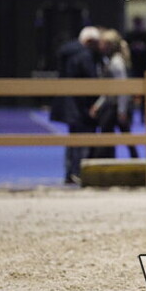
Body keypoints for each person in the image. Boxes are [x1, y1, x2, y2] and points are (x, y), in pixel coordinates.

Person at [50, 25, 102, 184]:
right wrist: (94, 103)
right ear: (90, 41)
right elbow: (91, 81)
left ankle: (69, 173)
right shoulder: (84, 55)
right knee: (84, 139)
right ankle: (80, 173)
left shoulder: (66, 52)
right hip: (81, 105)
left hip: (67, 103)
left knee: (72, 140)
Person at [89, 28, 138, 159]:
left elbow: (122, 87)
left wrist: (122, 110)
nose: (100, 45)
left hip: (117, 106)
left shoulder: (117, 62)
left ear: (109, 45)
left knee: (116, 136)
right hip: (112, 104)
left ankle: (135, 161)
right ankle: (115, 160)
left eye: (103, 43)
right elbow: (109, 88)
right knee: (124, 136)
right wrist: (98, 105)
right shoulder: (108, 60)